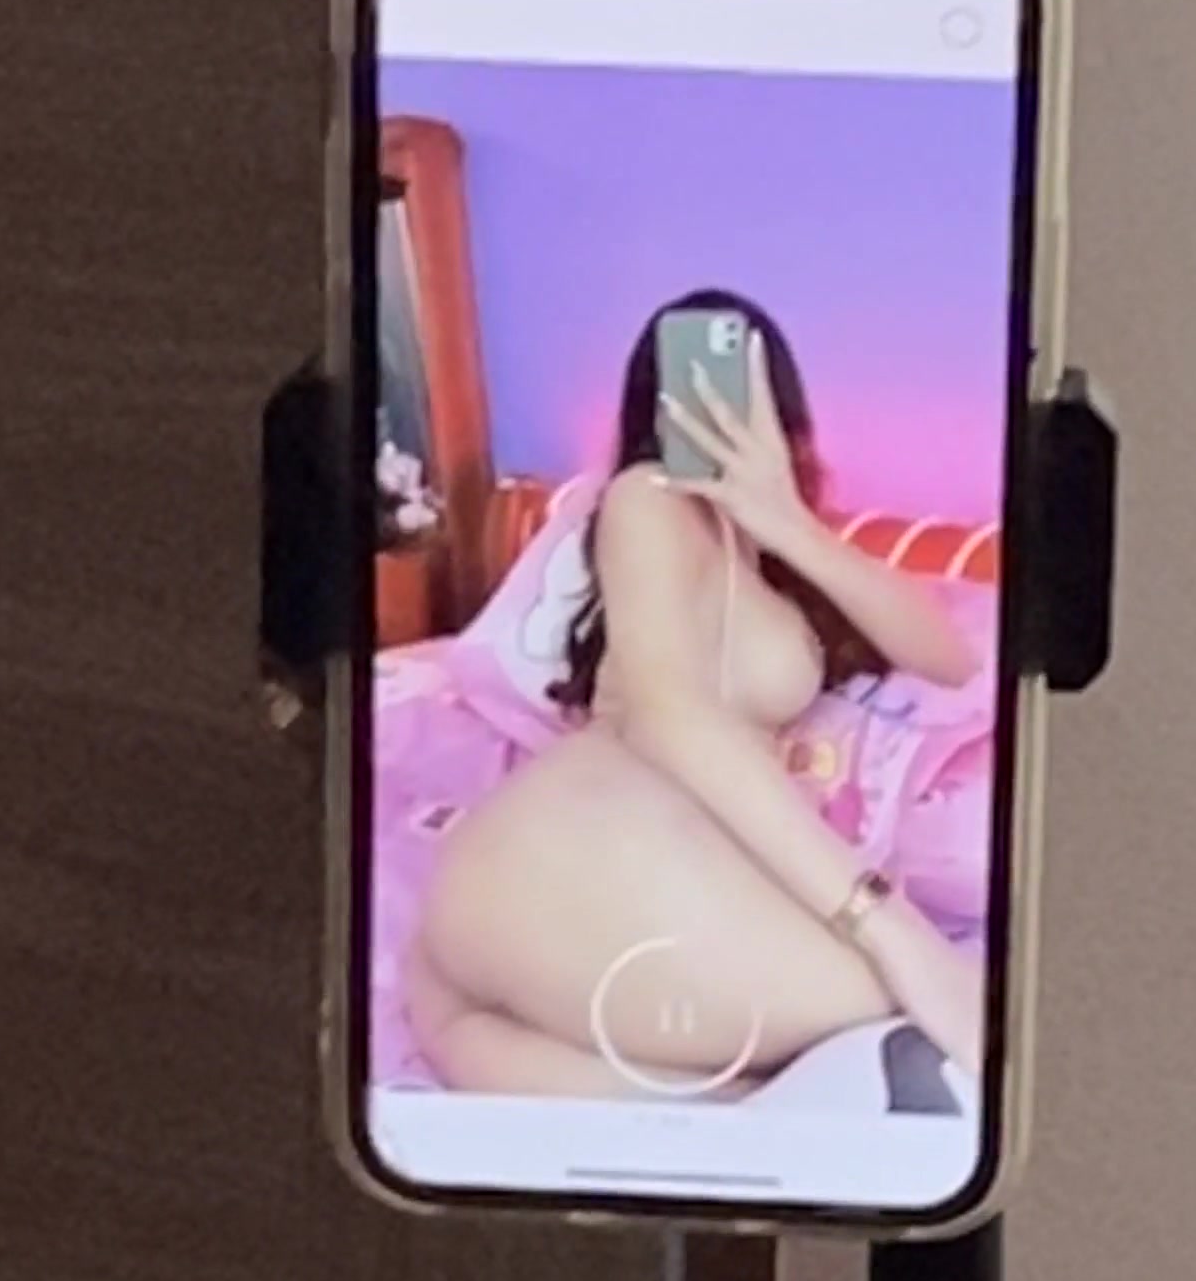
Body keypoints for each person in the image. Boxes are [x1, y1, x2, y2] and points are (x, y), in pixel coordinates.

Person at [403, 289, 986, 1099]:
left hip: (647, 854)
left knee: (763, 1087)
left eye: (741, 393)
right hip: (585, 838)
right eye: (693, 388)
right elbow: (670, 717)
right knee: (888, 998)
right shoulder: (647, 499)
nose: (718, 413)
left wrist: (785, 520)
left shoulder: (764, 548)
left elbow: (951, 660)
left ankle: (491, 1028)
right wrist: (879, 916)